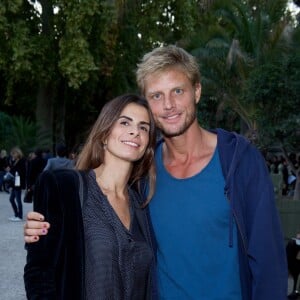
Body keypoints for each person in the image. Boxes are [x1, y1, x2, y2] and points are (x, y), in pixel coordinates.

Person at [24, 45, 287, 299]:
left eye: (178, 91)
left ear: (196, 91)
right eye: (156, 96)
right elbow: (93, 210)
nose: (169, 105)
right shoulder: (143, 174)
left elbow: (269, 260)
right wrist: (46, 226)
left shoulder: (239, 163)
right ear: (147, 104)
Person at [23, 94, 157, 299]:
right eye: (124, 122)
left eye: (144, 127)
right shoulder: (63, 188)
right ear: (104, 134)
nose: (134, 131)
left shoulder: (144, 204)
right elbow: (40, 273)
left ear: (147, 144)